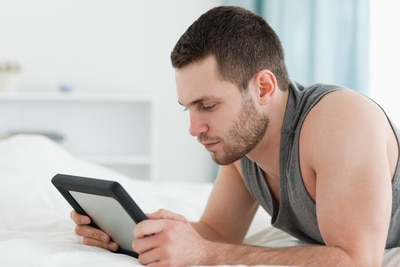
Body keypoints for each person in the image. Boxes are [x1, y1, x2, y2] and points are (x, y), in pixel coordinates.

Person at [71, 6, 400, 267]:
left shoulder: (341, 121)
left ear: (263, 88)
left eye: (209, 105)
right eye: (189, 109)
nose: (194, 129)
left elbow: (357, 261)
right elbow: (218, 232)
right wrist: (133, 232)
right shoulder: (242, 147)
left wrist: (207, 255)